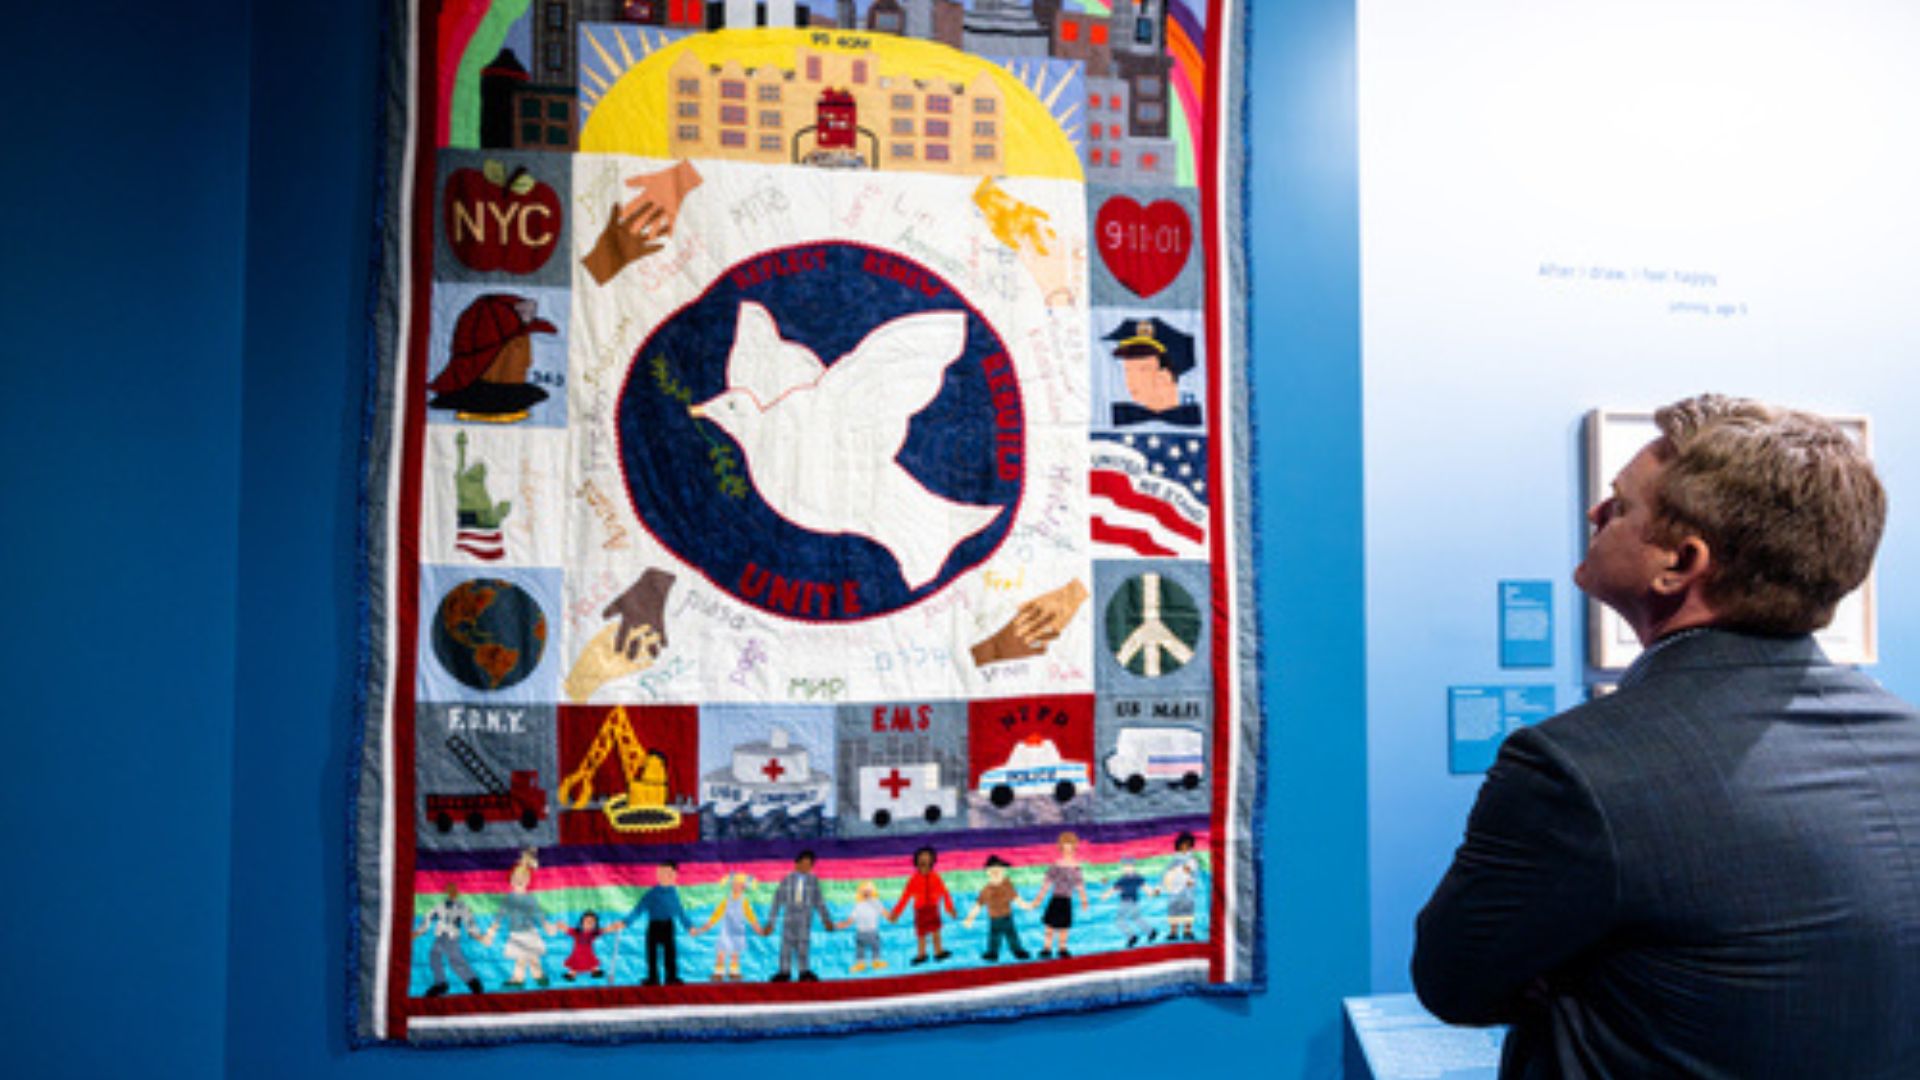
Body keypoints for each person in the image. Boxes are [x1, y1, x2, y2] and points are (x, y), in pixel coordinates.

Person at [1413, 394, 1920, 1078]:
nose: (1595, 515)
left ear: (1680, 563)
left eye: (1620, 506)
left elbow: (1455, 984)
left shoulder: (1576, 769)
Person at [610, 862, 691, 987]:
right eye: (662, 873)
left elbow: (679, 911)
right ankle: (653, 978)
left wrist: (688, 926)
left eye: (669, 874)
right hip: (654, 926)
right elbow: (639, 909)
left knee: (670, 953)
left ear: (674, 875)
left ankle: (671, 978)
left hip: (668, 926)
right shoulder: (652, 893)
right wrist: (625, 922)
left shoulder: (674, 893)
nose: (665, 876)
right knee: (652, 954)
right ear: (658, 875)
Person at [762, 850, 836, 982]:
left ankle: (803, 971)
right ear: (796, 864)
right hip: (789, 917)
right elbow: (777, 901)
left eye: (809, 865)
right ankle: (784, 971)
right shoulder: (787, 880)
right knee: (786, 945)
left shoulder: (813, 881)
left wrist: (826, 920)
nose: (805, 867)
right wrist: (771, 923)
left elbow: (819, 901)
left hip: (805, 918)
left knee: (803, 944)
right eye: (803, 864)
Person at [888, 845, 956, 965]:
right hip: (920, 911)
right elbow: (905, 897)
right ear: (916, 861)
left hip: (933, 909)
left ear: (932, 861)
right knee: (921, 934)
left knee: (936, 932)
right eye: (921, 859)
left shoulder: (935, 877)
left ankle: (938, 951)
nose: (924, 862)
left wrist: (949, 907)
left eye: (927, 859)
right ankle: (921, 954)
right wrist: (896, 912)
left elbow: (944, 892)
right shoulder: (914, 879)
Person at [691, 872, 762, 982]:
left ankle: (734, 973)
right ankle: (719, 973)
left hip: (738, 931)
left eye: (738, 885)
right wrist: (704, 927)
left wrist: (757, 927)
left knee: (735, 954)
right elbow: (716, 915)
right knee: (721, 953)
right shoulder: (726, 901)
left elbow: (751, 916)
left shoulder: (744, 902)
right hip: (726, 931)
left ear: (743, 887)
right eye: (734, 884)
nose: (735, 887)